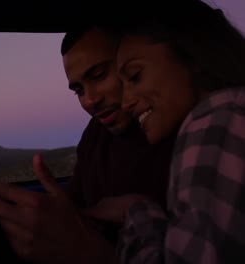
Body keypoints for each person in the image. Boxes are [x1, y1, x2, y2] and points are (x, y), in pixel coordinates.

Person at [0, 17, 177, 263]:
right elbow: (73, 206)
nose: (89, 100)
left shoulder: (179, 136)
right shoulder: (97, 134)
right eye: (78, 90)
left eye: (98, 75)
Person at [90, 0, 245, 263]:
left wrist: (133, 216)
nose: (126, 103)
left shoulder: (215, 119)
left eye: (135, 76)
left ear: (193, 54)